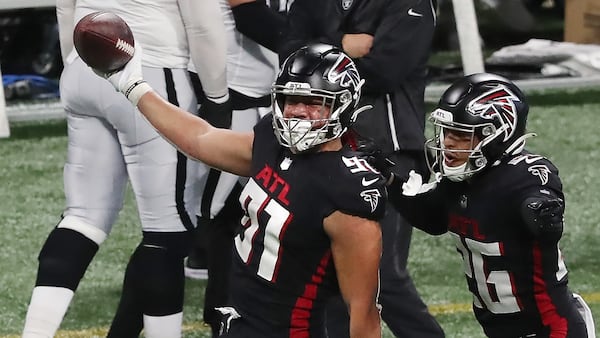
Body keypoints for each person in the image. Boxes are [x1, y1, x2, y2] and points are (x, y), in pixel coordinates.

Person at [95, 42, 387, 338]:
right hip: (239, 323)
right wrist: (133, 86)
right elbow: (201, 138)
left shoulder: (347, 192)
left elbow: (363, 312)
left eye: (313, 102)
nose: (298, 111)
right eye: (290, 99)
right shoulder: (271, 143)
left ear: (343, 104)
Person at [21, 0, 228, 337]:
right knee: (168, 232)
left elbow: (65, 8)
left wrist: (75, 63)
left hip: (84, 65)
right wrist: (218, 97)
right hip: (151, 69)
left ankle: (35, 333)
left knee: (83, 217)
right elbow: (203, 23)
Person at [277, 0, 445, 336]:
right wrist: (344, 46)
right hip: (326, 151)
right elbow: (289, 53)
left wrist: (321, 52)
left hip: (389, 155)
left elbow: (384, 70)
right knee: (333, 278)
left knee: (383, 278)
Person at [385, 72, 596, 338]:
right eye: (447, 132)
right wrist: (390, 179)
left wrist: (541, 208)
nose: (448, 142)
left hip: (551, 328)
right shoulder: (459, 180)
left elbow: (541, 193)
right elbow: (431, 218)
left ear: (497, 135)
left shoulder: (522, 175)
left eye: (461, 135)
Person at [184, 0, 289, 336]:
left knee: (257, 211)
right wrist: (330, 46)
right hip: (234, 98)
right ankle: (221, 317)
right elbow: (249, 15)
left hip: (260, 98)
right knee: (221, 216)